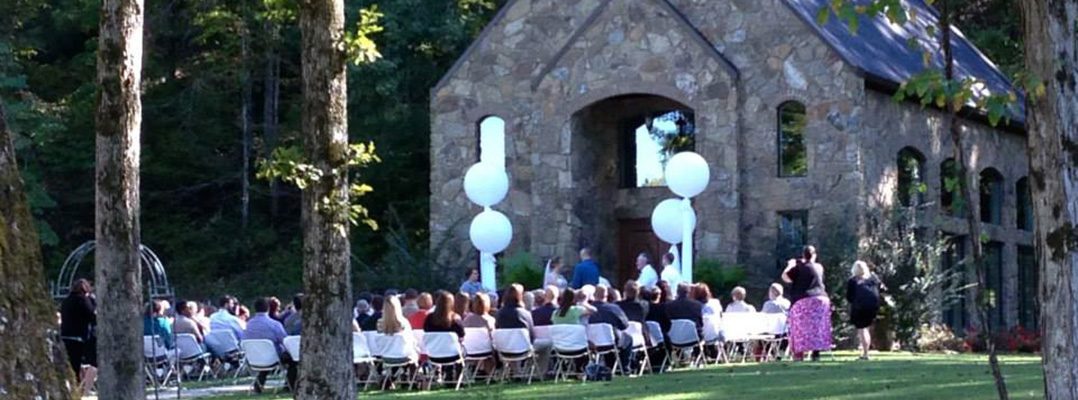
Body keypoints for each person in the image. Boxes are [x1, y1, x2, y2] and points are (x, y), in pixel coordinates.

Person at [782, 246, 833, 361]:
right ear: (814, 255)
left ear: (803, 255)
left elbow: (785, 278)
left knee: (799, 326)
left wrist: (790, 265)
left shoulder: (799, 267)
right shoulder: (819, 267)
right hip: (822, 299)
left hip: (803, 299)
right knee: (817, 325)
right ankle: (816, 352)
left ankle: (799, 353)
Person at [245, 297, 296, 393]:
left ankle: (258, 385)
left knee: (266, 354)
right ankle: (288, 385)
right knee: (292, 360)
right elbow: (285, 341)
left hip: (253, 358)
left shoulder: (248, 325)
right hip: (272, 358)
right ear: (268, 308)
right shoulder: (274, 325)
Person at [60, 279, 97, 394]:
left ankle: (75, 388)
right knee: (94, 363)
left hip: (66, 336)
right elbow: (92, 317)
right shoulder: (83, 300)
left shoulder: (66, 301)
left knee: (72, 366)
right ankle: (82, 390)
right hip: (78, 337)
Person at [847, 260, 882, 360]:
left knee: (862, 330)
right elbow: (879, 289)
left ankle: (865, 353)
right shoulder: (873, 278)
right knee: (866, 329)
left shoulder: (853, 280)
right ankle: (865, 351)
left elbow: (849, 296)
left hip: (860, 307)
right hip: (872, 306)